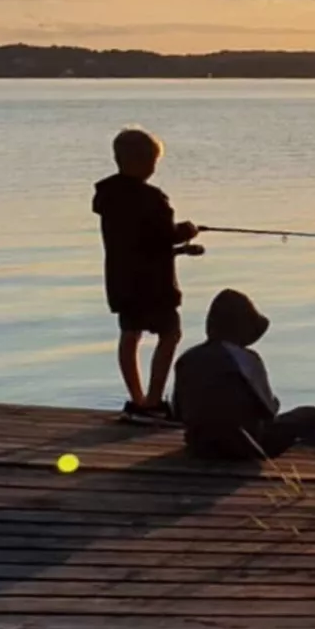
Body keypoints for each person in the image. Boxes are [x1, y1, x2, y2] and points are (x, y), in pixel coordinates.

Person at [92, 126, 201, 423]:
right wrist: (186, 232)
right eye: (153, 163)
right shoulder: (153, 198)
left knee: (130, 334)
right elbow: (164, 236)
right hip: (154, 285)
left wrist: (180, 251)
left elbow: (138, 243)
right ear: (143, 163)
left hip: (122, 282)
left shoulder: (107, 197)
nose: (154, 169)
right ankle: (153, 401)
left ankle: (137, 399)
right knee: (171, 334)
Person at [173, 288, 315, 458]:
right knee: (312, 414)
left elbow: (178, 412)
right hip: (245, 447)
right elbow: (268, 411)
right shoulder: (248, 360)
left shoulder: (187, 358)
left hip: (200, 446)